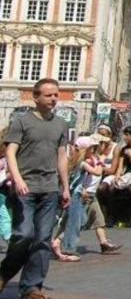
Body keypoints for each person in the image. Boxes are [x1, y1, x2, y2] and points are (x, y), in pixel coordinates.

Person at [0, 78, 71, 299]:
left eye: (56, 95)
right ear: (36, 96)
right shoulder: (22, 121)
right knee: (23, 235)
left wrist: (66, 187)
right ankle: (4, 273)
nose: (53, 99)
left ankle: (32, 287)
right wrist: (18, 179)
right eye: (49, 95)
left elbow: (62, 157)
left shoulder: (61, 124)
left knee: (42, 239)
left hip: (49, 189)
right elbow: (11, 152)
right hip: (25, 189)